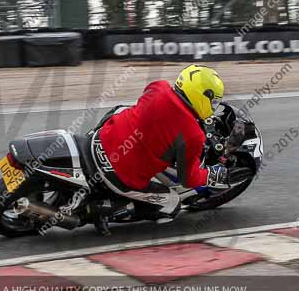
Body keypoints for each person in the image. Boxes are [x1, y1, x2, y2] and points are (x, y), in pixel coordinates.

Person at [89, 64, 244, 233]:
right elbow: (188, 179)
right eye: (213, 101)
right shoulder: (193, 136)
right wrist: (213, 174)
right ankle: (104, 211)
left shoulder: (158, 87)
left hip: (100, 141)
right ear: (202, 96)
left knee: (123, 110)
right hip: (119, 175)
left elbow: (159, 112)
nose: (213, 107)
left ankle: (91, 133)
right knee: (171, 205)